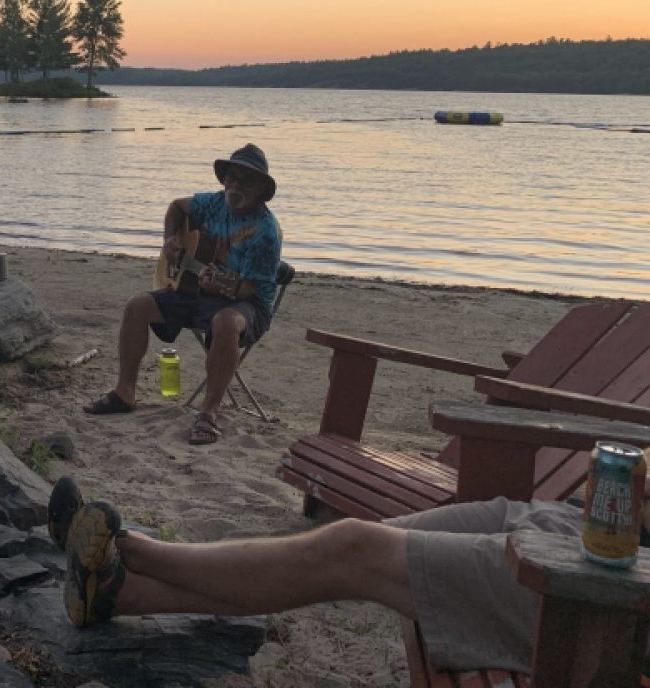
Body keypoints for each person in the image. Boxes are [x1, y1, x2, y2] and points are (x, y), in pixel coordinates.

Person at [50, 477, 589, 675]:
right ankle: (120, 595)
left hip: (604, 588)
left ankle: (131, 551)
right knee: (342, 545)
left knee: (353, 547)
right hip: (571, 524)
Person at [83, 143, 282, 445]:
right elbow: (176, 207)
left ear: (260, 190)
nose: (236, 185)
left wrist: (222, 285)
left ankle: (209, 412)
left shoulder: (266, 232)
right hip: (195, 290)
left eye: (246, 180)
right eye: (232, 177)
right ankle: (125, 392)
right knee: (137, 306)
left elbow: (246, 289)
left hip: (245, 303)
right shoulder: (212, 203)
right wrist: (170, 240)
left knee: (226, 322)